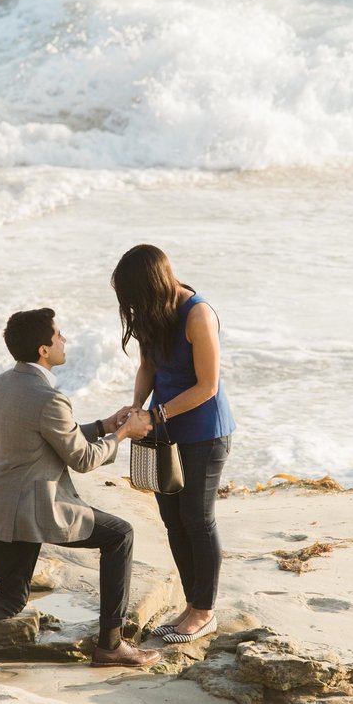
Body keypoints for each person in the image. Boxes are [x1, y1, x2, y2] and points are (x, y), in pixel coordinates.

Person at [0, 308, 161, 668]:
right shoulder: (49, 398)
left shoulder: (2, 384)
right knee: (120, 535)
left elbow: (46, 437)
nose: (64, 340)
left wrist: (104, 424)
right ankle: (111, 645)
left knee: (10, 597)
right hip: (30, 510)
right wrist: (123, 434)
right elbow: (83, 460)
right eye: (59, 335)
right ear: (44, 350)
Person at [111, 245, 236, 644]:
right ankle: (191, 604)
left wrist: (156, 414)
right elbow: (148, 364)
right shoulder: (155, 311)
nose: (130, 306)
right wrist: (135, 408)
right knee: (173, 520)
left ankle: (205, 611)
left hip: (204, 432)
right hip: (164, 430)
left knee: (198, 520)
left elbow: (207, 386)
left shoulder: (199, 314)